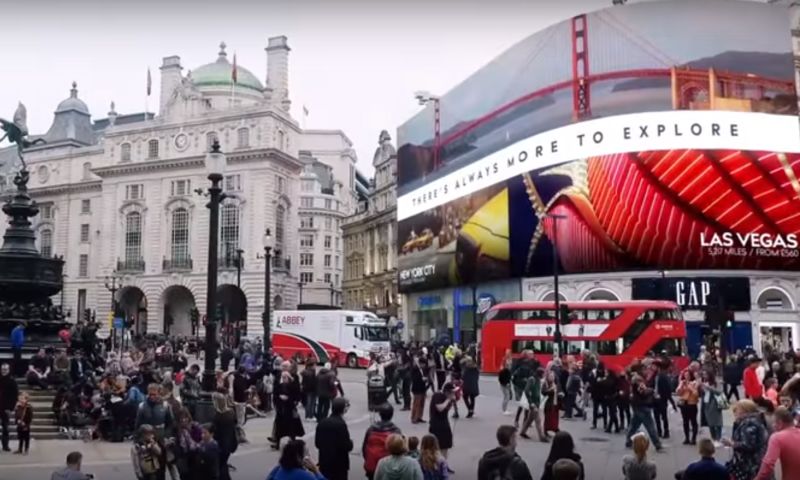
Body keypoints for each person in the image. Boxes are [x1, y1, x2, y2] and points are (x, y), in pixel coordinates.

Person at [722, 399, 770, 480]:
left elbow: (748, 445)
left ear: (744, 410)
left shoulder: (749, 424)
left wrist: (732, 443)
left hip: (750, 464)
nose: (735, 411)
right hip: (755, 461)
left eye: (737, 409)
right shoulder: (756, 420)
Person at [754, 406, 800, 480]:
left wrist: (758, 478)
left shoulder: (777, 437)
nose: (773, 426)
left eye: (774, 422)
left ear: (780, 423)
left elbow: (768, 463)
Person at [315, 397, 353, 480]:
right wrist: (351, 443)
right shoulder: (341, 424)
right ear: (343, 409)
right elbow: (346, 445)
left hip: (324, 462)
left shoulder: (322, 423)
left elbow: (317, 443)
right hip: (339, 464)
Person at [363, 403, 402, 480]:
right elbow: (400, 451)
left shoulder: (371, 430)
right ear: (392, 415)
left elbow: (364, 448)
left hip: (372, 465)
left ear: (380, 414)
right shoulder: (395, 431)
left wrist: (368, 460)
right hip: (389, 467)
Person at [626, 375, 663, 451]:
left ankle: (628, 441)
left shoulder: (632, 387)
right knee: (650, 427)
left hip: (636, 408)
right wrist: (651, 390)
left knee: (633, 426)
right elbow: (644, 393)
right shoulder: (639, 386)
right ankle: (657, 444)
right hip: (643, 408)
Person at [273, 371, 304, 450]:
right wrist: (279, 399)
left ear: (289, 378)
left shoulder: (293, 386)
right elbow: (275, 396)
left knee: (291, 427)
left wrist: (288, 399)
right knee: (279, 427)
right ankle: (277, 443)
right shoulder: (279, 386)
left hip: (289, 409)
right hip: (281, 410)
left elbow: (297, 397)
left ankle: (292, 442)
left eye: (285, 377)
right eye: (283, 377)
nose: (284, 379)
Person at [211, 392, 237, 480]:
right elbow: (235, 423)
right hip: (231, 442)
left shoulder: (218, 416)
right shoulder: (231, 412)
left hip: (221, 444)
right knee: (223, 464)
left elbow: (214, 431)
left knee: (221, 465)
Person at [520, 368, 547, 442]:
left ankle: (523, 432)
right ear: (540, 374)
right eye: (543, 374)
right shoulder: (532, 379)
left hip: (536, 403)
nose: (544, 375)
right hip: (533, 403)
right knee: (538, 420)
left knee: (529, 419)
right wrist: (531, 402)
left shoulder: (538, 380)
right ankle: (541, 437)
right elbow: (526, 391)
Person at [428, 383, 455, 457]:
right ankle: (435, 460)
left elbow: (446, 409)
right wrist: (448, 399)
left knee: (445, 444)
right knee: (436, 445)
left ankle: (443, 460)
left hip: (444, 422)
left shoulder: (446, 398)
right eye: (452, 392)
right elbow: (440, 408)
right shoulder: (438, 396)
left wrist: (451, 402)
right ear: (447, 392)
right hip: (436, 423)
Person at [676, 370, 700, 445]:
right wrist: (680, 386)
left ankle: (693, 438)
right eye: (685, 375)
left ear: (691, 376)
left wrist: (690, 387)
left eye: (688, 375)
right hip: (684, 404)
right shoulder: (682, 383)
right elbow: (678, 393)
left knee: (693, 421)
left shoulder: (694, 383)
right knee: (685, 422)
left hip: (692, 404)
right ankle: (687, 438)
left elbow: (696, 394)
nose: (687, 377)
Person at [701, 373, 724, 443]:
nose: (704, 376)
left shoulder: (716, 383)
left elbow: (719, 392)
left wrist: (709, 388)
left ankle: (718, 438)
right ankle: (714, 438)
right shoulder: (704, 382)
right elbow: (703, 393)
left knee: (717, 422)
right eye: (704, 375)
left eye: (706, 374)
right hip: (706, 403)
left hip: (715, 404)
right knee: (710, 423)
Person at [0, 363, 18, 452]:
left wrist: (11, 408)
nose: (4, 371)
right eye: (2, 369)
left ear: (9, 370)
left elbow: (14, 396)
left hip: (5, 407)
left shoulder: (12, 381)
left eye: (5, 369)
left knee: (5, 427)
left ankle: (5, 445)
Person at [410, 356, 428, 424]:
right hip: (417, 389)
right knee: (416, 404)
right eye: (423, 364)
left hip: (422, 388)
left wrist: (425, 379)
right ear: (420, 363)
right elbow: (414, 379)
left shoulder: (423, 369)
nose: (424, 366)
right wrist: (422, 379)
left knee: (421, 404)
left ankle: (419, 417)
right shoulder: (415, 369)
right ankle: (414, 417)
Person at [499, 350, 513, 415]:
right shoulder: (504, 360)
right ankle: (504, 410)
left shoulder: (510, 359)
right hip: (504, 383)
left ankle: (505, 409)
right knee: (506, 396)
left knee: (508, 396)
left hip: (508, 381)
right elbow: (501, 377)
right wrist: (506, 383)